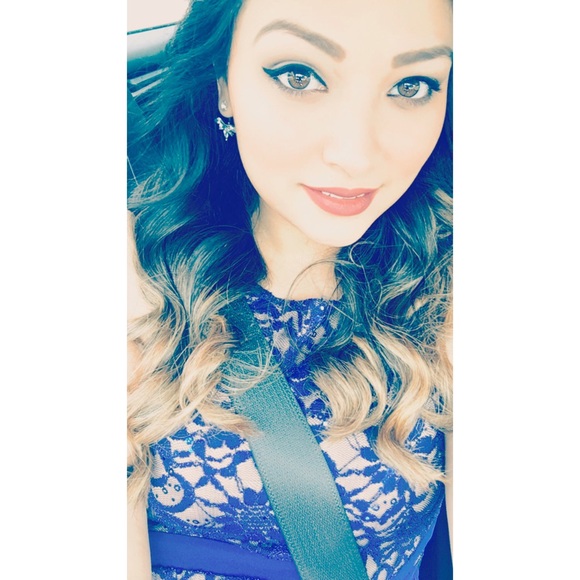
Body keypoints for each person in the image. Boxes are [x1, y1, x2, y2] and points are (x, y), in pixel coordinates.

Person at [127, 0, 453, 578]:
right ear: (223, 83)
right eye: (299, 76)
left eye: (411, 86)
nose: (354, 155)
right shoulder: (133, 275)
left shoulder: (450, 289)